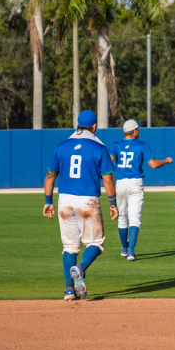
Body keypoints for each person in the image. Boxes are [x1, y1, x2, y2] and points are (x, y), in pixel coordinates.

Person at [43, 109, 118, 301]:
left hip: (65, 200)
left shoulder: (62, 146)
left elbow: (50, 176)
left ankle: (69, 290)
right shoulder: (98, 147)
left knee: (69, 247)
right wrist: (113, 203)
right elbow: (108, 179)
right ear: (94, 126)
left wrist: (48, 201)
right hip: (87, 200)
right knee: (96, 243)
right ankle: (81, 268)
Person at [108, 119, 171, 262]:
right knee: (134, 217)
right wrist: (166, 160)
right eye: (138, 129)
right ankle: (131, 252)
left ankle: (124, 248)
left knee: (122, 216)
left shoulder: (116, 145)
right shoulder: (141, 145)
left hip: (120, 183)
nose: (139, 131)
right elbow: (154, 165)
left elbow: (107, 162)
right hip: (135, 183)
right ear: (134, 131)